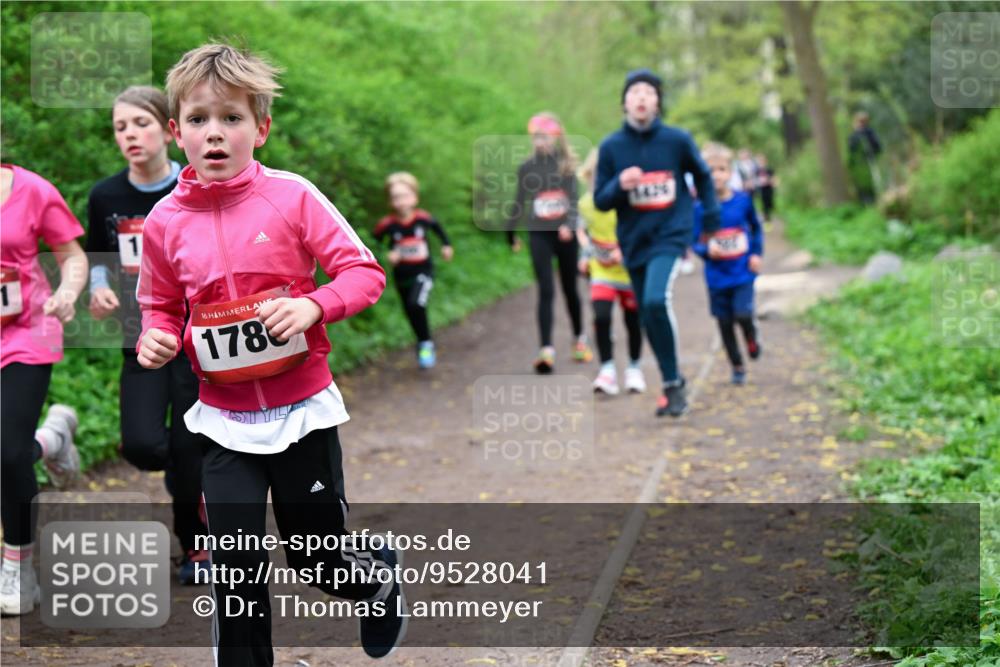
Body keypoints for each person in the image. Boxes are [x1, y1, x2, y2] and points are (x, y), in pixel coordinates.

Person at [135, 43, 404, 664]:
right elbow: (159, 305)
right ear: (176, 132)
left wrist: (314, 306)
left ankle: (373, 581)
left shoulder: (292, 196)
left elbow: (363, 273)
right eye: (199, 119)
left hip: (301, 412)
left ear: (261, 128)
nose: (215, 133)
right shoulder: (163, 222)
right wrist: (157, 335)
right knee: (236, 570)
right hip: (223, 422)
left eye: (232, 117)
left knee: (317, 558)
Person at [85, 85, 208, 585]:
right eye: (121, 127)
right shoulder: (106, 195)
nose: (130, 135)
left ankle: (196, 548)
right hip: (140, 336)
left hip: (197, 338)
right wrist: (98, 288)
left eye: (141, 123)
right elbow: (98, 257)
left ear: (168, 129)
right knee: (143, 446)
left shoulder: (196, 186)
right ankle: (187, 474)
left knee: (190, 448)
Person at [594, 68, 720, 417]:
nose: (641, 97)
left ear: (658, 103)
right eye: (634, 92)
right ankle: (671, 383)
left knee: (654, 299)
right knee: (646, 313)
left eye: (649, 92)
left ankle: (673, 382)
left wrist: (711, 217)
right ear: (624, 102)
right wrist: (619, 184)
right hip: (634, 240)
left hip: (671, 233)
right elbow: (601, 200)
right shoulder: (611, 147)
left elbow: (703, 176)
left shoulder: (677, 140)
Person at [1, 163, 88, 615]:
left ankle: (18, 568)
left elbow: (72, 257)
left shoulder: (31, 190)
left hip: (25, 333)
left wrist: (68, 293)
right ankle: (53, 439)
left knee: (7, 452)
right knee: (10, 450)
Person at [507, 112, 593, 374]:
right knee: (545, 289)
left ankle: (579, 339)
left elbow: (574, 201)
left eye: (544, 137)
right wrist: (510, 232)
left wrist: (569, 224)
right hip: (539, 233)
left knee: (569, 288)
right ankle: (546, 349)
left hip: (565, 235)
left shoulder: (565, 165)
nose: (540, 142)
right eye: (536, 137)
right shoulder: (527, 167)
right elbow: (520, 201)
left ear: (555, 138)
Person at [692, 143, 764, 385]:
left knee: (743, 314)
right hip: (717, 276)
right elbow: (694, 240)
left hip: (742, 272)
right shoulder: (699, 207)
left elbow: (756, 228)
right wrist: (706, 250)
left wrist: (756, 254)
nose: (717, 175)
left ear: (730, 172)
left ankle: (752, 337)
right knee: (724, 323)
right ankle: (737, 365)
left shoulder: (743, 201)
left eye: (721, 169)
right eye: (711, 170)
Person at [575, 149, 645, 396]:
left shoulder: (629, 201)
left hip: (628, 271)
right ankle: (607, 369)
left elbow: (642, 229)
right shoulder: (585, 203)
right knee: (601, 315)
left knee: (632, 321)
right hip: (601, 270)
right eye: (596, 175)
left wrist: (625, 250)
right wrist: (585, 255)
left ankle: (634, 367)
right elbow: (583, 230)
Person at [373, 172, 453, 369]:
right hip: (401, 276)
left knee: (417, 304)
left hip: (423, 272)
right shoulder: (387, 225)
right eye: (396, 197)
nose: (401, 201)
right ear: (390, 201)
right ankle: (422, 340)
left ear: (415, 197)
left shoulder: (423, 219)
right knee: (410, 310)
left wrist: (446, 246)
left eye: (405, 195)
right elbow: (372, 244)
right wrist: (387, 253)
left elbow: (440, 231)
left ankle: (426, 344)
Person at [847, 111, 882, 205]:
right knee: (861, 187)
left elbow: (878, 148)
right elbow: (851, 151)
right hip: (858, 166)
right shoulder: (854, 136)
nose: (861, 124)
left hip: (869, 163)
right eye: (860, 121)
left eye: (863, 121)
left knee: (872, 185)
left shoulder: (870, 133)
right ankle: (865, 203)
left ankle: (873, 203)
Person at [755, 153, 776, 222]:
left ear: (765, 161)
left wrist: (769, 181)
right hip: (762, 189)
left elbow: (773, 178)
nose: (762, 163)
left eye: (763, 161)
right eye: (760, 161)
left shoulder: (769, 169)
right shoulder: (757, 170)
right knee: (764, 203)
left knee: (769, 202)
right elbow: (755, 179)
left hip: (769, 188)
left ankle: (769, 214)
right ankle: (766, 217)